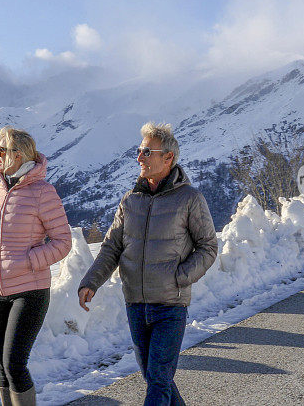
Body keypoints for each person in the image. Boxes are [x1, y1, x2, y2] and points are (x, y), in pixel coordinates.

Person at [78, 122, 217, 405]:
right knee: (156, 378)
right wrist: (91, 281)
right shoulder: (130, 200)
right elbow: (112, 247)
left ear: (168, 158)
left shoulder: (190, 199)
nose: (139, 157)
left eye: (146, 151)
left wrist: (180, 277)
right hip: (136, 306)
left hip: (170, 306)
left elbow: (208, 247)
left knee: (157, 381)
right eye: (139, 150)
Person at [0, 126, 72, 406]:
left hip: (30, 291)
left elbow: (63, 241)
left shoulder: (43, 192)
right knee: (2, 368)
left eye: (1, 151)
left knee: (14, 364)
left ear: (18, 155)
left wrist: (28, 262)